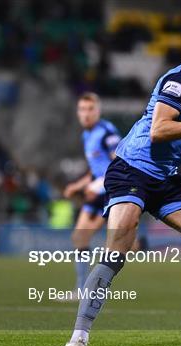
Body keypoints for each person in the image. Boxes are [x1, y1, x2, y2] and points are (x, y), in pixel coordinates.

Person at [64, 19, 181, 346]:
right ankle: (78, 337)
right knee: (117, 250)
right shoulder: (178, 81)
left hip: (165, 178)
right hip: (132, 170)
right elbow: (160, 129)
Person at [63, 92, 121, 299]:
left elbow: (119, 163)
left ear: (98, 111)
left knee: (123, 245)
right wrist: (77, 185)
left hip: (109, 192)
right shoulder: (86, 135)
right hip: (96, 191)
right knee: (79, 237)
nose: (86, 114)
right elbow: (95, 170)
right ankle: (81, 290)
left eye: (90, 109)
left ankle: (158, 244)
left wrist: (97, 186)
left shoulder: (107, 132)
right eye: (82, 109)